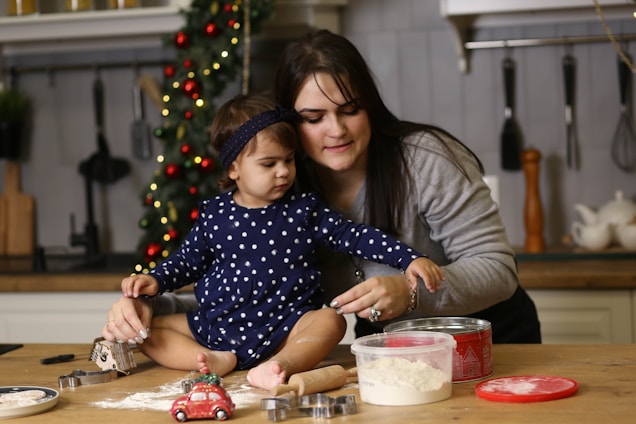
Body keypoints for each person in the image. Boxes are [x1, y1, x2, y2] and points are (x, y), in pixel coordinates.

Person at [103, 29, 540, 348]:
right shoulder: (281, 190)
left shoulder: (425, 158)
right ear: (289, 125)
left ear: (369, 106)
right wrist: (149, 304)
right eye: (313, 118)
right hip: (390, 352)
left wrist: (409, 292)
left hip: (491, 342)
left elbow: (499, 270)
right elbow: (239, 302)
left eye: (349, 110)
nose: (336, 130)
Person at [115, 93, 444, 391]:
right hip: (216, 327)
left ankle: (278, 366)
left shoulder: (304, 210)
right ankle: (211, 359)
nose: (284, 172)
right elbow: (187, 260)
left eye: (288, 160)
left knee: (331, 320)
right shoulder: (214, 214)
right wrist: (155, 280)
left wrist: (408, 259)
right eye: (268, 164)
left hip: (287, 328)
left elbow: (355, 236)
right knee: (147, 333)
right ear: (233, 168)